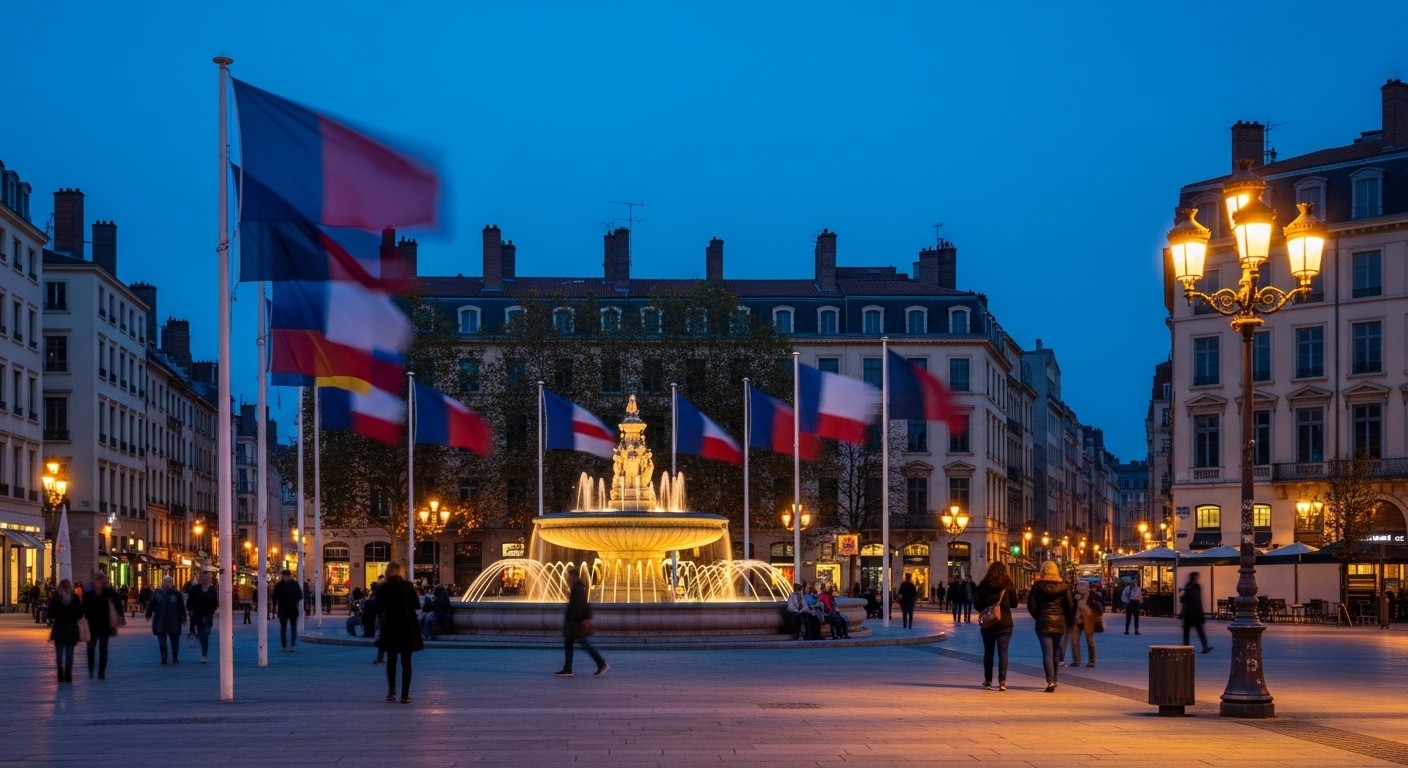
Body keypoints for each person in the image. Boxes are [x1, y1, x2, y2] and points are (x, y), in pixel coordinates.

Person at [374, 561, 421, 702]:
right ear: (400, 572)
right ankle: (405, 695)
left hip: (391, 627)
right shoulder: (408, 586)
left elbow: (378, 609)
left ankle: (392, 692)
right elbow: (416, 605)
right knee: (406, 662)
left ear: (388, 572)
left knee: (392, 660)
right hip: (407, 626)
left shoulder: (383, 587)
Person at [1027, 560, 1075, 693]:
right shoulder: (1064, 587)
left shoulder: (1037, 587)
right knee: (1055, 652)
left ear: (1043, 572)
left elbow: (1031, 605)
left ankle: (1050, 680)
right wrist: (1064, 616)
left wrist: (1038, 615)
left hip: (1043, 622)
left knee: (1047, 653)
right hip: (1059, 622)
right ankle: (1055, 679)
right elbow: (1070, 605)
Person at [974, 562, 1018, 691]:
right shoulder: (1008, 585)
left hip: (988, 623)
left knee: (988, 652)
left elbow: (977, 604)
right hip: (1005, 624)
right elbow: (1014, 603)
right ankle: (1002, 681)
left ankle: (988, 680)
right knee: (1003, 653)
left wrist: (987, 607)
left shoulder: (983, 585)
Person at [557, 564, 607, 676]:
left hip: (576, 623)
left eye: (568, 577)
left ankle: (601, 663)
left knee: (583, 644)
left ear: (573, 577)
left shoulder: (578, 588)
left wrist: (582, 619)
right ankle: (568, 668)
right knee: (571, 644)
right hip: (574, 622)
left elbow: (581, 605)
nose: (567, 579)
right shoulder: (577, 588)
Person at [82, 572, 122, 679]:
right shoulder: (88, 595)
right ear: (93, 582)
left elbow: (117, 604)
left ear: (103, 582)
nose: (98, 583)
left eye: (100, 581)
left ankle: (101, 671)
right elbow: (84, 609)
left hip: (105, 625)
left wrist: (119, 617)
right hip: (92, 626)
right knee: (91, 649)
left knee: (103, 649)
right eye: (96, 581)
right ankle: (91, 669)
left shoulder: (109, 593)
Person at [48, 579, 84, 683]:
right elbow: (80, 614)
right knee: (69, 654)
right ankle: (68, 676)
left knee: (59, 655)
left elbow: (50, 614)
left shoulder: (56, 598)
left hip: (59, 629)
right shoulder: (75, 598)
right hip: (71, 629)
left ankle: (60, 674)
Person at [145, 575, 187, 664]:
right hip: (161, 620)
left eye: (168, 582)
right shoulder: (158, 593)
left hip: (174, 620)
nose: (166, 584)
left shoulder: (177, 594)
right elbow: (152, 604)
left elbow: (181, 607)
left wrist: (183, 617)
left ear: (172, 583)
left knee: (175, 640)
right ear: (162, 583)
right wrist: (148, 613)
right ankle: (164, 657)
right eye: (165, 582)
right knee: (162, 641)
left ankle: (175, 656)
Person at [186, 571, 218, 663]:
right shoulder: (195, 589)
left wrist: (212, 610)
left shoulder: (212, 589)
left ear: (209, 579)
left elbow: (215, 602)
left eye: (207, 579)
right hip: (198, 615)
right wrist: (190, 610)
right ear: (200, 579)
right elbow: (190, 602)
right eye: (203, 579)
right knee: (201, 634)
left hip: (208, 615)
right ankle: (204, 652)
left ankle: (204, 654)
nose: (205, 581)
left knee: (206, 634)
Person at [1180, 571, 1213, 653]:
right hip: (1189, 613)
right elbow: (1183, 600)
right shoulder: (1189, 587)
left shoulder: (1196, 587)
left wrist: (1201, 614)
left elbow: (1198, 601)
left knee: (1199, 631)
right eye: (1196, 577)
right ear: (1193, 578)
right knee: (1187, 631)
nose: (1197, 578)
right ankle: (1186, 648)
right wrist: (1182, 595)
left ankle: (1205, 647)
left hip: (1196, 612)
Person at [272, 569, 304, 652]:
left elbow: (300, 595)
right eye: (285, 576)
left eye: (288, 576)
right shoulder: (279, 585)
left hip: (293, 608)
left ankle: (292, 645)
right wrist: (274, 608)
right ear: (283, 576)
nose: (286, 578)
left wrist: (294, 600)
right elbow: (274, 597)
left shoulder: (295, 584)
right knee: (283, 628)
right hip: (283, 609)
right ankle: (283, 646)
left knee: (293, 628)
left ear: (290, 576)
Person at [1069, 581, 1097, 668]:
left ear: (1087, 588)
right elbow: (1070, 607)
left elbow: (1098, 608)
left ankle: (1091, 661)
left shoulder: (1093, 596)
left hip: (1088, 621)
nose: (1081, 589)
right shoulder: (1074, 596)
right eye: (1079, 587)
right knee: (1074, 641)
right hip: (1076, 621)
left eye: (1083, 587)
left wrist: (1086, 608)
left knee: (1090, 641)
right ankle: (1076, 661)